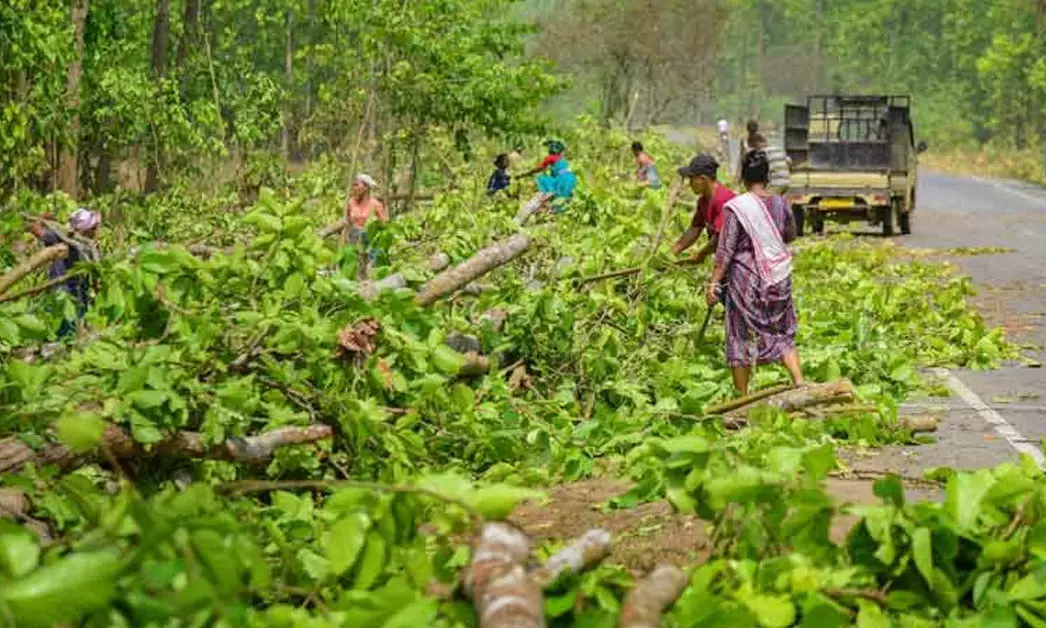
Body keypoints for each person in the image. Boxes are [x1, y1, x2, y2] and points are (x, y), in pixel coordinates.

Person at [707, 150, 804, 395]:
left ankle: (743, 398)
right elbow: (790, 234)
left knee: (739, 335)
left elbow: (725, 250)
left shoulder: (736, 208)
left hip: (745, 282)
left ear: (743, 176)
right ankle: (799, 382)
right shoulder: (781, 204)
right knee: (782, 331)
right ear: (767, 176)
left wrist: (713, 283)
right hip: (778, 278)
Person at [31, 208, 101, 338]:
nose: (96, 231)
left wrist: (41, 218)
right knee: (64, 330)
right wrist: (43, 219)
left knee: (71, 331)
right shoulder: (63, 237)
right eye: (93, 227)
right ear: (86, 228)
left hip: (76, 293)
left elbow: (36, 230)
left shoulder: (89, 245)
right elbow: (37, 231)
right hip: (65, 293)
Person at [672, 154, 735, 264]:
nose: (689, 184)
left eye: (692, 179)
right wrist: (673, 252)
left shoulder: (723, 199)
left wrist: (701, 254)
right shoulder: (703, 201)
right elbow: (694, 230)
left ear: (703, 179)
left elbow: (720, 238)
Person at [342, 174, 388, 276]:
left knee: (371, 267)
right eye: (354, 185)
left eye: (357, 185)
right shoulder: (351, 203)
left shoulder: (375, 204)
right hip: (355, 240)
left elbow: (384, 225)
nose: (355, 188)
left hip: (371, 241)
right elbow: (348, 223)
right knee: (354, 265)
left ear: (366, 188)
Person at [520, 139, 578, 212]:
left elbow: (539, 168)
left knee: (542, 180)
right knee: (565, 198)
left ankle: (542, 206)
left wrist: (527, 173)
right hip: (571, 178)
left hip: (562, 179)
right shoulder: (562, 160)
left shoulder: (550, 157)